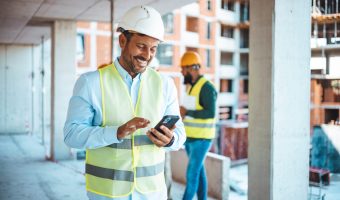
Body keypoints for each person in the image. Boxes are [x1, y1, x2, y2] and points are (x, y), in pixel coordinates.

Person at [64, 5, 186, 200]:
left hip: (152, 193)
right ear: (123, 40)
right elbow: (71, 135)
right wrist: (116, 132)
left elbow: (180, 133)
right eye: (141, 46)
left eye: (153, 49)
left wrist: (170, 140)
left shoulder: (165, 84)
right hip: (107, 194)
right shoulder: (90, 83)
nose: (147, 55)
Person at [179, 51, 217, 200]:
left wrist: (188, 112)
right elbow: (190, 111)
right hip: (190, 138)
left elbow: (210, 113)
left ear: (193, 67)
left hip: (202, 139)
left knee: (192, 174)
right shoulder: (191, 86)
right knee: (199, 174)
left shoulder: (207, 87)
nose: (181, 72)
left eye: (183, 68)